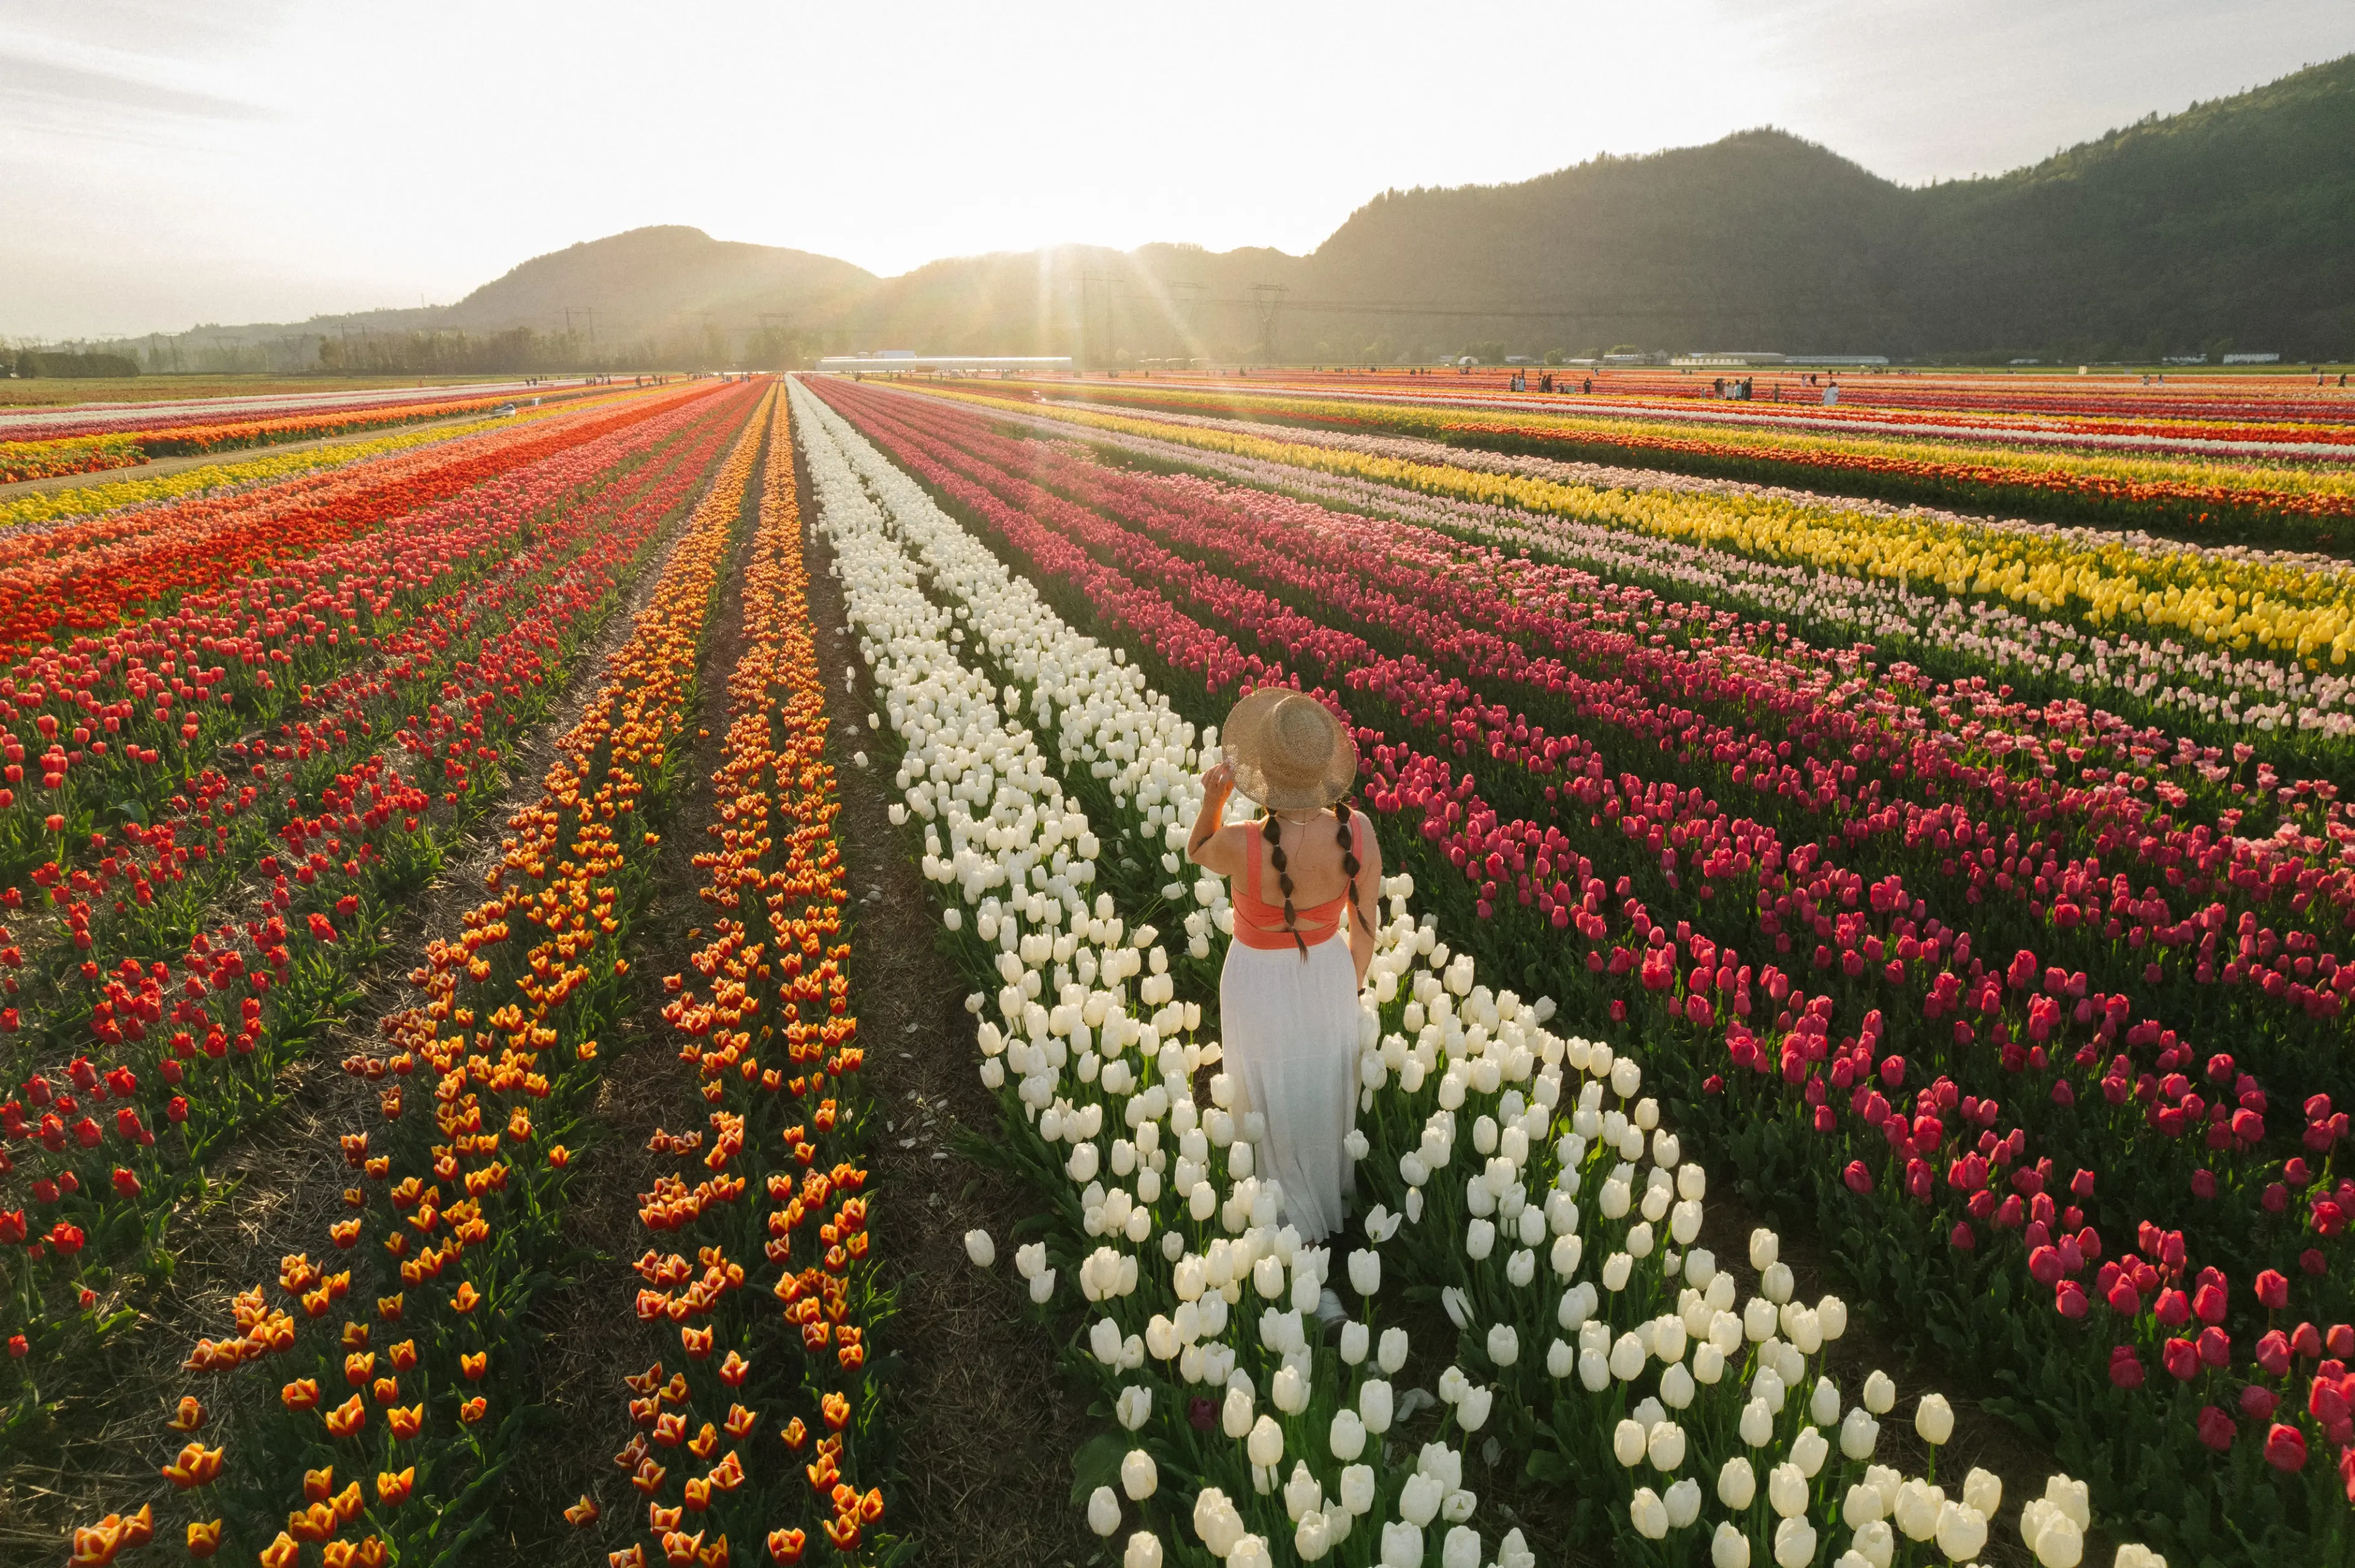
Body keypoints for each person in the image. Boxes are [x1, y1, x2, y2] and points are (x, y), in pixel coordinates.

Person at [1187, 690, 1382, 1310]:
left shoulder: (1243, 844)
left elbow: (1197, 850)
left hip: (1259, 982)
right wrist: (1343, 988)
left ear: (1262, 776)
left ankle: (1286, 1234)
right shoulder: (1357, 831)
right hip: (1325, 974)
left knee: (1268, 1095)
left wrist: (1214, 799)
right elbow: (1366, 926)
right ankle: (1328, 1215)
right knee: (1321, 1090)